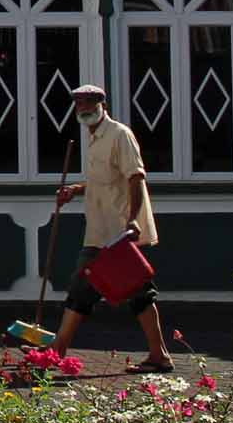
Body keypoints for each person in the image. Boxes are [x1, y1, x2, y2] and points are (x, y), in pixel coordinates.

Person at [49, 84, 172, 373]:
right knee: (115, 290)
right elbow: (105, 181)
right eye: (79, 104)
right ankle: (159, 355)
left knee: (114, 289)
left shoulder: (119, 135)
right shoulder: (92, 139)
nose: (84, 108)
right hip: (99, 229)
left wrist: (133, 220)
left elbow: (135, 178)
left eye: (90, 102)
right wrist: (76, 190)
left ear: (102, 104)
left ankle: (57, 351)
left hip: (117, 231)